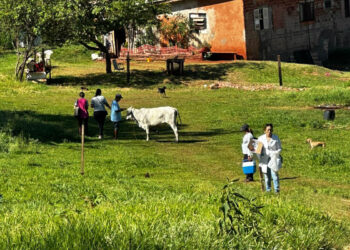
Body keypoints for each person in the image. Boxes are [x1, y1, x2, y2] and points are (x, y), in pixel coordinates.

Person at [258, 124, 282, 193]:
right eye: (268, 130)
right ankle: (268, 190)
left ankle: (276, 190)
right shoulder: (261, 139)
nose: (269, 131)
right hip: (265, 159)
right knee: (267, 176)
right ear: (264, 131)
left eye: (271, 129)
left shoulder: (275, 138)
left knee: (274, 175)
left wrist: (274, 153)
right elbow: (258, 149)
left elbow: (279, 148)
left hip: (273, 158)